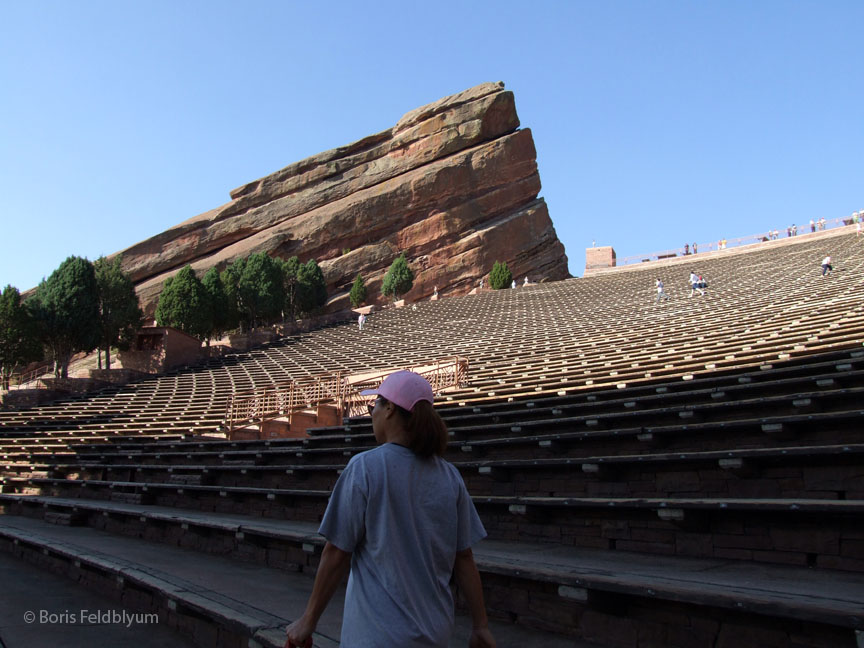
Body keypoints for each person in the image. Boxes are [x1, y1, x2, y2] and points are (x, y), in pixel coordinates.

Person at [284, 371, 496, 648]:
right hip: (435, 635)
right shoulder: (449, 476)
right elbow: (464, 557)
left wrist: (308, 621)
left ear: (390, 410)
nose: (372, 413)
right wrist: (480, 626)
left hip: (377, 635)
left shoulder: (365, 468)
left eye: (376, 405)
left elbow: (337, 551)